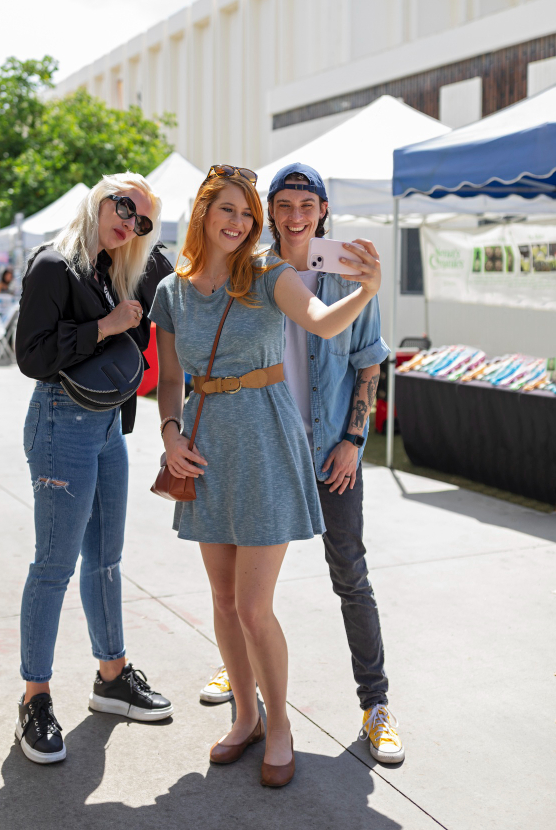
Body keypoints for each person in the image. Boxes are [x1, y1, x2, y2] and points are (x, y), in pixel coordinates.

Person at [150, 166, 381, 787]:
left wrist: (366, 291)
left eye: (247, 214)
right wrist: (170, 435)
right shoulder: (171, 292)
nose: (239, 222)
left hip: (268, 439)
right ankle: (245, 716)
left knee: (255, 607)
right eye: (229, 210)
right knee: (223, 603)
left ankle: (280, 724)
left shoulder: (268, 275)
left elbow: (326, 323)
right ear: (203, 213)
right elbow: (169, 379)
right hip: (203, 445)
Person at [14, 173, 174, 765]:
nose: (129, 222)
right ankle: (35, 697)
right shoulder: (55, 264)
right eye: (124, 206)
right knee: (54, 565)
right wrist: (105, 326)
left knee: (106, 559)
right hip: (60, 420)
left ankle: (111, 676)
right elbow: (30, 354)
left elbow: (188, 277)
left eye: (142, 220)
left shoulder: (119, 267)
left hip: (108, 426)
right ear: (100, 197)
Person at [266, 163, 403, 764]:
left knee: (350, 575)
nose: (297, 215)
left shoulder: (351, 274)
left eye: (307, 204)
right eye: (285, 204)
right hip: (269, 449)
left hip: (330, 454)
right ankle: (241, 678)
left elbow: (369, 363)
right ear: (270, 210)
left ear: (322, 210)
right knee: (250, 584)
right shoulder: (253, 273)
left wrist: (353, 439)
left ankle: (376, 705)